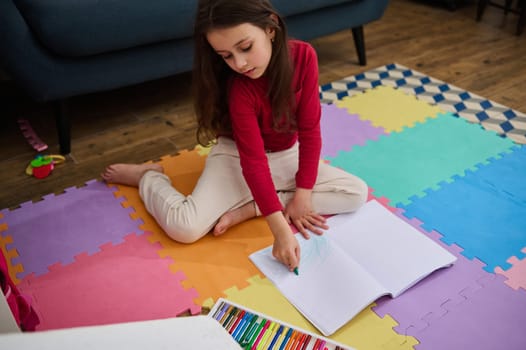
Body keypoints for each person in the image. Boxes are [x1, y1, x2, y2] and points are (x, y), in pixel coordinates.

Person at [101, 0, 368, 272]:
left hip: (286, 153)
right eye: (226, 56)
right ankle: (149, 176)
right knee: (185, 228)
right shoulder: (239, 89)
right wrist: (280, 230)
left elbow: (310, 131)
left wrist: (303, 195)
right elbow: (252, 162)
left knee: (356, 194)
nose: (239, 63)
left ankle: (251, 207)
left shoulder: (304, 56)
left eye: (245, 48)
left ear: (270, 28)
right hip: (236, 156)